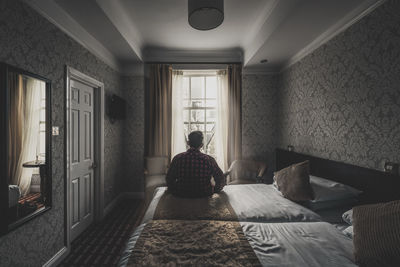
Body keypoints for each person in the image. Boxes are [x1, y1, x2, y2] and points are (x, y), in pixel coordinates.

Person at [166, 131, 226, 198]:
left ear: (188, 143)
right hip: (204, 195)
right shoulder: (209, 160)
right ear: (202, 145)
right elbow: (221, 179)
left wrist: (174, 190)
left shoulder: (177, 158)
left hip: (182, 195)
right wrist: (215, 190)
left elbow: (169, 179)